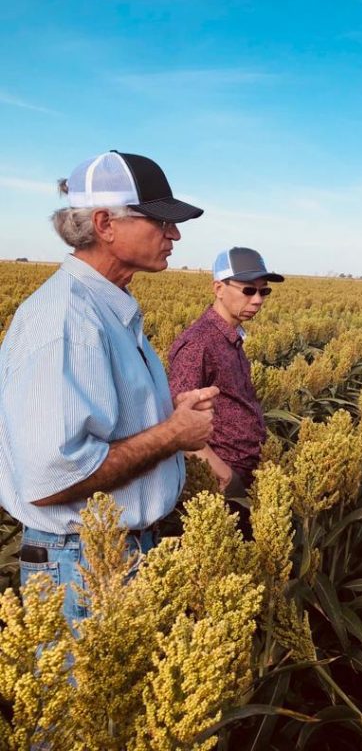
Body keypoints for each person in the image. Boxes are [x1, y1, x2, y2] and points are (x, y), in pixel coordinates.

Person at [0, 151, 216, 624]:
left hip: (109, 555)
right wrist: (173, 435)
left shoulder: (105, 309)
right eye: (160, 220)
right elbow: (50, 476)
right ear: (105, 224)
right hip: (81, 564)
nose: (175, 234)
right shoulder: (67, 321)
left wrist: (166, 414)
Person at [168, 247, 283, 534]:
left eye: (263, 292)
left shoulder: (230, 337)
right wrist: (223, 474)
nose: (257, 300)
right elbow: (176, 419)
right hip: (220, 478)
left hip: (244, 470)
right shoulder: (200, 343)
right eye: (248, 290)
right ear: (218, 288)